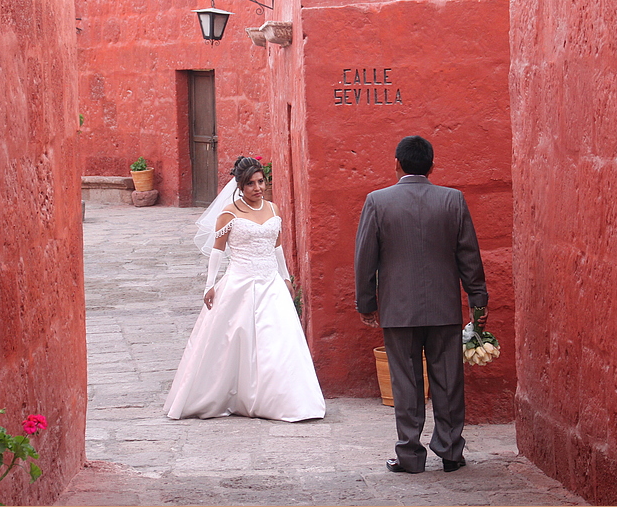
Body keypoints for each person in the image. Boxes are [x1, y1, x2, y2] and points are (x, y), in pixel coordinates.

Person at [354, 135, 489, 473]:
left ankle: (410, 455)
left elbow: (365, 258)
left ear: (397, 164)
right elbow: (469, 257)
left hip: (398, 310)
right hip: (443, 308)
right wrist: (478, 301)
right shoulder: (453, 200)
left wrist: (367, 302)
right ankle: (450, 450)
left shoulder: (377, 201)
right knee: (448, 381)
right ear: (432, 166)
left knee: (406, 383)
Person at [163, 156, 325, 422]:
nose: (257, 187)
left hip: (270, 282)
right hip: (239, 282)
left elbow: (277, 248)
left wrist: (285, 278)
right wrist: (210, 285)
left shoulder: (272, 210)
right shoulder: (229, 213)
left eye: (261, 181)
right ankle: (229, 394)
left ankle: (281, 399)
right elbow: (217, 252)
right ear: (239, 185)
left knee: (278, 342)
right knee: (233, 339)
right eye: (250, 183)